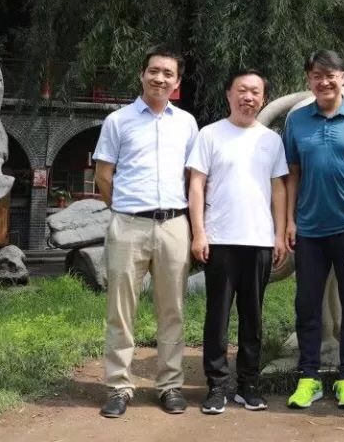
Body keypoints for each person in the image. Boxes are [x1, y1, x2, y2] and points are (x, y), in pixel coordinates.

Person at [93, 46, 199, 418]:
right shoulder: (117, 121)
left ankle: (169, 385)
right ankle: (119, 387)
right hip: (128, 224)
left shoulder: (186, 123)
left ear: (177, 82)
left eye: (168, 73)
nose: (160, 78)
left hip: (174, 225)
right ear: (142, 74)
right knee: (121, 310)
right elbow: (103, 175)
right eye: (154, 71)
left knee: (173, 309)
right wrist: (123, 210)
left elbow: (192, 177)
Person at [283, 50, 344, 410]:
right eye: (317, 75)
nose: (324, 82)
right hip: (310, 230)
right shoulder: (296, 121)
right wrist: (290, 220)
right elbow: (292, 174)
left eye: (331, 75)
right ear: (309, 80)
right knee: (307, 304)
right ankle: (308, 377)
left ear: (343, 76)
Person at [186, 69, 289, 415]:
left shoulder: (271, 140)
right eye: (242, 90)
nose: (249, 97)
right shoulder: (210, 135)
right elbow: (196, 185)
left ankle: (248, 384)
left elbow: (278, 188)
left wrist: (279, 234)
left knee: (253, 317)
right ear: (229, 94)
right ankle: (216, 385)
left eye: (255, 92)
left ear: (263, 98)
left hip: (259, 241)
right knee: (217, 316)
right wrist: (199, 232)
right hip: (220, 240)